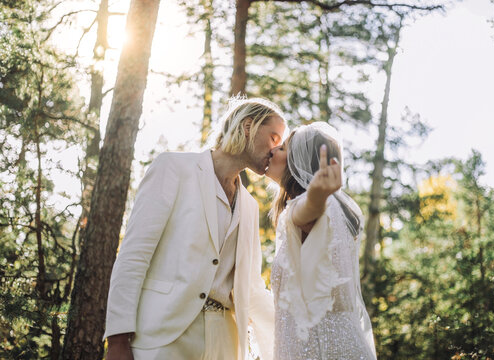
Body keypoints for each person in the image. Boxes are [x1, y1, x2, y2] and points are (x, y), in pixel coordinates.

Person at [104, 97, 286, 360]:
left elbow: (253, 289)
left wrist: (299, 334)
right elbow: (134, 255)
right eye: (273, 137)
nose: (275, 150)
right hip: (163, 337)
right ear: (247, 126)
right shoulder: (173, 168)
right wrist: (117, 339)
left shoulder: (250, 207)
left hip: (224, 344)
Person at [265, 122, 377, 360]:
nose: (273, 151)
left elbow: (308, 211)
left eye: (282, 148)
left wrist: (316, 196)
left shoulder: (312, 208)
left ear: (299, 163)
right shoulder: (333, 208)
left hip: (321, 351)